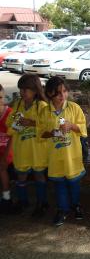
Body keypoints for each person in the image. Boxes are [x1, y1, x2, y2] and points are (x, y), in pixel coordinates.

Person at [37, 77, 87, 226]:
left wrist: (72, 126)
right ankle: (62, 209)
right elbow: (40, 133)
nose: (62, 95)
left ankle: (76, 204)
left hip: (72, 155)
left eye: (65, 91)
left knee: (74, 183)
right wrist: (52, 132)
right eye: (58, 92)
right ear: (50, 93)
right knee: (60, 184)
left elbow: (83, 129)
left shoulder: (74, 108)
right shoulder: (45, 111)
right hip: (55, 156)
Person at [6, 74, 48, 216]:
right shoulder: (17, 105)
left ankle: (41, 202)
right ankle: (23, 201)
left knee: (39, 175)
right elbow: (9, 125)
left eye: (25, 90)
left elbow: (48, 126)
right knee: (21, 176)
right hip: (21, 148)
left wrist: (32, 123)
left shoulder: (42, 106)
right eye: (21, 90)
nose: (22, 93)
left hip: (37, 150)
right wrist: (16, 124)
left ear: (35, 90)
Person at [0, 84, 14, 213]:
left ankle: (7, 198)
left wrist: (5, 156)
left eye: (0, 97)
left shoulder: (10, 113)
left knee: (1, 166)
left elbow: (13, 136)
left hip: (9, 150)